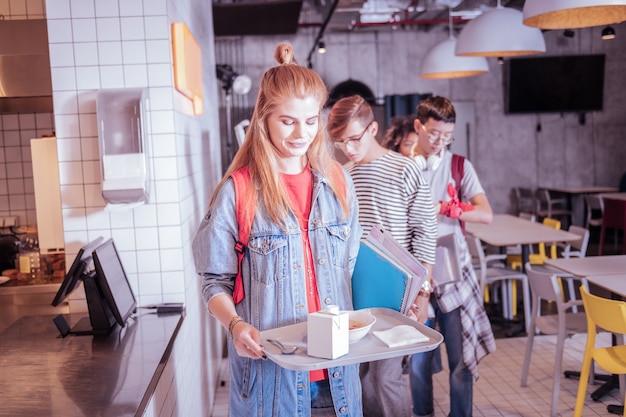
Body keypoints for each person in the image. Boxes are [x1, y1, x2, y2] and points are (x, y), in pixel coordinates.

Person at [192, 42, 364, 417]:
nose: (301, 133)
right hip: (272, 379)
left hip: (338, 379)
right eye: (288, 121)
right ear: (264, 118)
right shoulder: (238, 191)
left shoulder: (337, 182)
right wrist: (236, 325)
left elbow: (350, 266)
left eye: (311, 119)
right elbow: (213, 283)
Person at [327, 95, 438, 417]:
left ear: (373, 128)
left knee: (385, 376)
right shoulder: (341, 177)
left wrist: (423, 293)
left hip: (396, 292)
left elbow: (425, 234)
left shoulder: (405, 168)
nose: (348, 148)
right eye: (340, 142)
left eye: (354, 139)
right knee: (360, 376)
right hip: (351, 293)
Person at [399, 97, 496, 417]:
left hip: (454, 271)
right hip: (416, 272)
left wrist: (451, 208)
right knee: (418, 361)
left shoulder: (459, 167)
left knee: (460, 358)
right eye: (434, 134)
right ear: (418, 126)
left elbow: (485, 214)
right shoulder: (402, 167)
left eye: (447, 136)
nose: (440, 142)